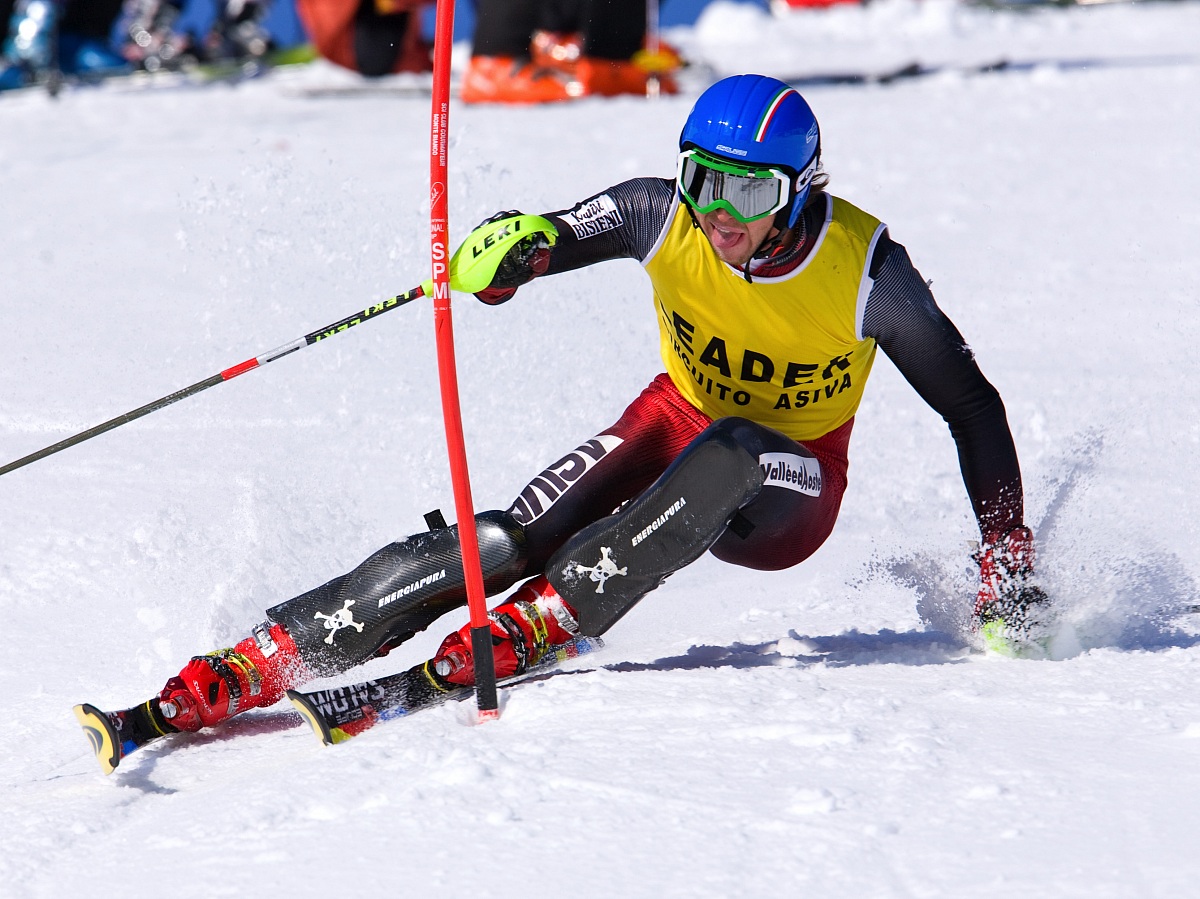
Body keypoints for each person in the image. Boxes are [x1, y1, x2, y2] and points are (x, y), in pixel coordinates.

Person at [85, 73, 1048, 765]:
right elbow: (552, 237)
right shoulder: (660, 215)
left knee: (735, 447)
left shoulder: (869, 274)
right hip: (673, 417)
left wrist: (1006, 562)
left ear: (799, 189)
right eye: (703, 180)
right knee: (508, 535)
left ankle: (553, 614)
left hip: (789, 484)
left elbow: (973, 408)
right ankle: (272, 651)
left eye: (748, 191)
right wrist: (511, 253)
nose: (719, 214)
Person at [460, 0, 680, 104]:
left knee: (609, 51)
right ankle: (499, 58)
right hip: (513, 44)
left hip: (604, 47)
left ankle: (612, 54)